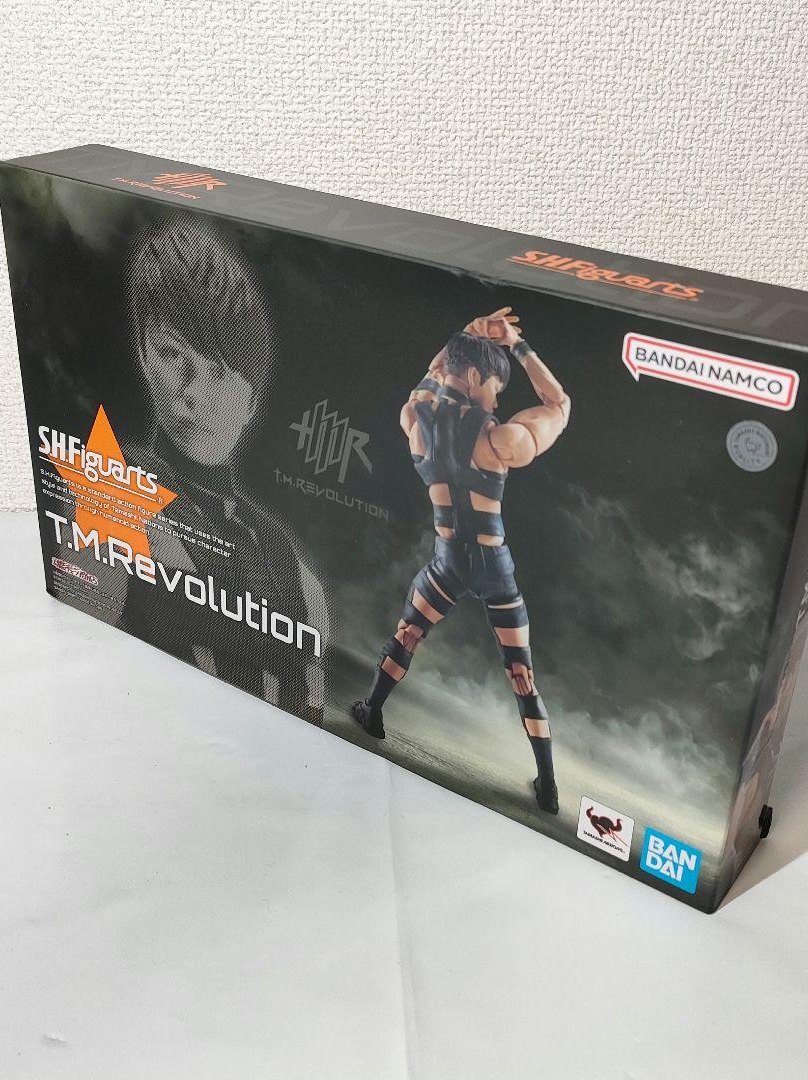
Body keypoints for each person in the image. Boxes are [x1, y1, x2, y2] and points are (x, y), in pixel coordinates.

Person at [351, 307, 571, 813]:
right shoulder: (500, 439)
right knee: (521, 674)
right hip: (494, 567)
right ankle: (548, 786)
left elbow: (436, 374)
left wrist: (466, 334)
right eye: (495, 388)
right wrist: (517, 345)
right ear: (475, 378)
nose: (497, 399)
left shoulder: (414, 420)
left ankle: (372, 711)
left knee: (408, 633)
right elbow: (558, 403)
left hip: (448, 561)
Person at [122, 216, 328, 723]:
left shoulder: (293, 569)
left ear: (251, 400)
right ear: (145, 355)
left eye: (218, 370)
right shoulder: (114, 490)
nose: (192, 390)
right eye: (171, 354)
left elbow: (311, 709)